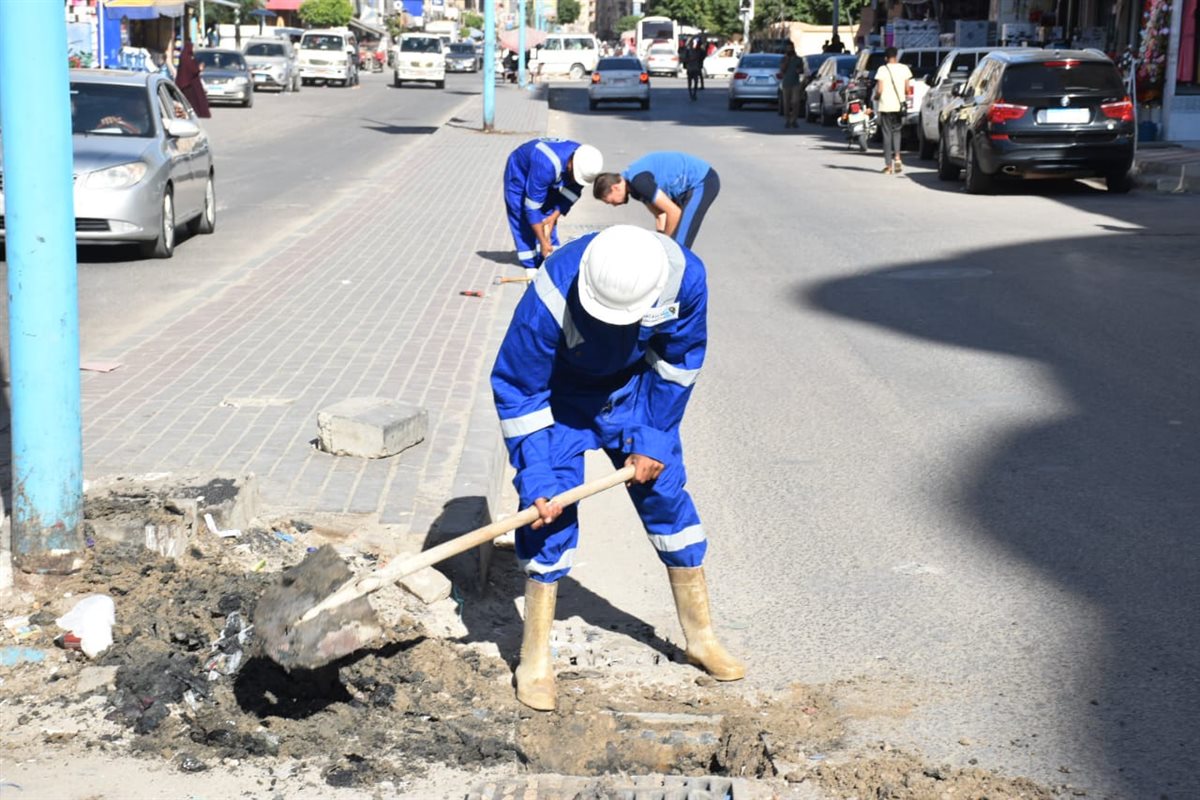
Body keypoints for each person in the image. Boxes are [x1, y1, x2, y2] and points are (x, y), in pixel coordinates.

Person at [491, 224, 745, 711]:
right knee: (549, 515)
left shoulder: (683, 280)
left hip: (635, 397)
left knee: (668, 500)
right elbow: (520, 389)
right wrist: (538, 477)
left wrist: (653, 437)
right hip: (559, 400)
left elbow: (678, 363)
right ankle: (535, 657)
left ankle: (701, 637)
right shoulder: (551, 291)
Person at [503, 139, 604, 274]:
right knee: (522, 215)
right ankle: (531, 265)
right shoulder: (547, 165)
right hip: (520, 173)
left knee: (548, 214)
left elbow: (572, 193)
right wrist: (543, 242)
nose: (575, 180)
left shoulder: (584, 160)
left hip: (548, 173)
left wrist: (553, 217)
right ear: (570, 165)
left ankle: (552, 258)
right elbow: (531, 209)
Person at [592, 152, 719, 249]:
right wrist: (660, 244)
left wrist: (667, 247)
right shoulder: (634, 189)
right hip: (685, 191)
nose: (613, 205)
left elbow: (674, 212)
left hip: (701, 182)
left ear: (615, 188)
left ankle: (686, 282)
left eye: (609, 201)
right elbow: (661, 215)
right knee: (672, 248)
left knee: (679, 247)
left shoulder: (639, 182)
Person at [873, 46, 912, 174]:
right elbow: (907, 90)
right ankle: (898, 157)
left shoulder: (882, 69)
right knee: (897, 132)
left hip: (885, 106)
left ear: (886, 58)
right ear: (896, 56)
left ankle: (888, 166)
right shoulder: (904, 69)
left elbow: (879, 90)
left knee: (886, 135)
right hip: (899, 106)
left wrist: (876, 97)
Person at [175, 42, 211, 118]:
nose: (193, 49)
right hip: (188, 83)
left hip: (188, 82)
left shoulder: (186, 56)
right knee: (193, 100)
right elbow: (192, 70)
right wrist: (199, 68)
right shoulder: (187, 57)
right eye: (192, 47)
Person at [777, 41, 804, 128]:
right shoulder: (784, 59)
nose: (790, 50)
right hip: (786, 83)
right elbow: (782, 70)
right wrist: (787, 60)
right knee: (786, 103)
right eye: (788, 48)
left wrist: (799, 70)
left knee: (795, 102)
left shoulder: (798, 59)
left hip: (795, 83)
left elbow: (802, 70)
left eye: (791, 48)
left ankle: (794, 120)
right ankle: (787, 120)